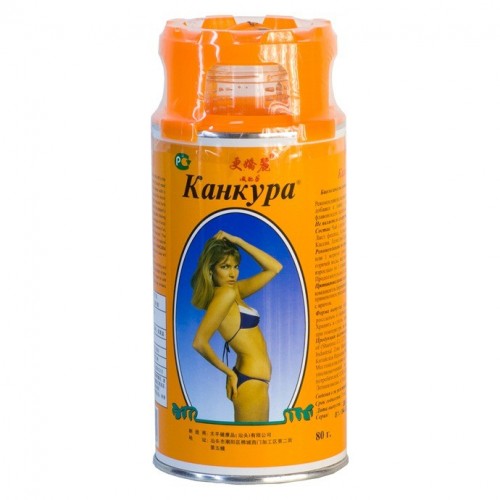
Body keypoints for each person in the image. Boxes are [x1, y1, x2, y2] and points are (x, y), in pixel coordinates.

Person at [191, 230, 282, 422]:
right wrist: (229, 373)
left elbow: (274, 268)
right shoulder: (225, 295)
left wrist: (238, 240)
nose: (233, 273)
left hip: (254, 380)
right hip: (250, 382)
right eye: (225, 266)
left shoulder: (233, 290)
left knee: (257, 439)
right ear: (210, 270)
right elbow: (199, 342)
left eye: (236, 266)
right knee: (251, 440)